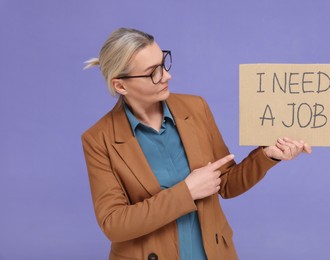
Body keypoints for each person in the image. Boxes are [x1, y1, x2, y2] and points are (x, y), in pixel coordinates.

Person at [81, 28, 311, 260]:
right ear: (121, 86)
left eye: (164, 63)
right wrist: (187, 191)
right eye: (153, 72)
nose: (166, 76)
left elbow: (227, 184)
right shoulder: (98, 139)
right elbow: (114, 223)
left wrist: (268, 155)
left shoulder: (196, 107)